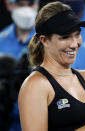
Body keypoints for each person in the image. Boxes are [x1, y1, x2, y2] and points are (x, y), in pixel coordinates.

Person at [18, 1, 85, 131]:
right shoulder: (35, 85)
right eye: (65, 37)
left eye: (77, 34)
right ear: (44, 40)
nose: (74, 44)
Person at [0, 0, 39, 130]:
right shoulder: (1, 40)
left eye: (30, 3)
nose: (26, 10)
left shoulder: (50, 40)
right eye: (20, 4)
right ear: (8, 4)